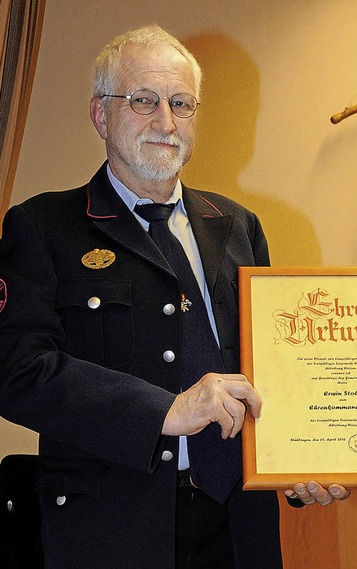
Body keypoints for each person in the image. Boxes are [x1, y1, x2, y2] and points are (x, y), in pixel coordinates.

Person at [0, 24, 308, 569]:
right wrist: (167, 409)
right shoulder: (43, 226)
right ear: (101, 115)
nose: (166, 122)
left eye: (182, 104)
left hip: (238, 526)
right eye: (143, 101)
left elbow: (274, 366)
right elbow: (18, 372)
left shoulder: (238, 225)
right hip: (113, 529)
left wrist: (302, 459)